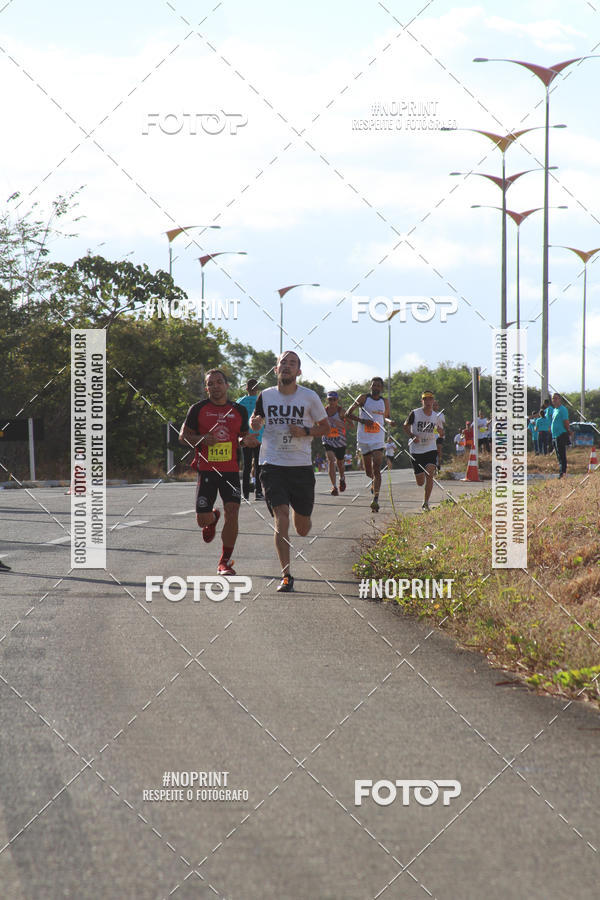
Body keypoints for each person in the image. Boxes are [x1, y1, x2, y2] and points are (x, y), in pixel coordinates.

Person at [250, 350, 330, 593]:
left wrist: (305, 432)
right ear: (276, 369)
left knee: (302, 528)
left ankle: (300, 512)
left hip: (301, 467)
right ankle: (286, 575)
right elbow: (256, 419)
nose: (287, 366)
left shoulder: (309, 397)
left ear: (299, 371)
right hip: (272, 464)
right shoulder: (265, 395)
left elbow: (326, 427)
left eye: (292, 363)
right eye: (283, 362)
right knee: (281, 517)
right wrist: (255, 423)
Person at [179, 369, 257, 575]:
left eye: (219, 382)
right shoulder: (197, 409)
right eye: (210, 383)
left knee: (233, 511)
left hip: (230, 471)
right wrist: (201, 439)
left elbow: (241, 436)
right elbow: (183, 437)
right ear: (206, 388)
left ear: (227, 385)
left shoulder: (239, 410)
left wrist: (246, 440)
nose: (215, 386)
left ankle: (225, 561)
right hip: (206, 470)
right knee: (202, 520)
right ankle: (212, 518)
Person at [346, 377, 395, 512]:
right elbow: (348, 414)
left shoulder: (384, 401)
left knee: (377, 467)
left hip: (378, 438)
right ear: (370, 386)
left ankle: (376, 499)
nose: (376, 388)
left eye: (378, 386)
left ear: (381, 388)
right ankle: (374, 482)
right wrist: (362, 421)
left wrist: (390, 422)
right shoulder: (363, 398)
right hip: (364, 439)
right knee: (369, 471)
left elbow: (386, 416)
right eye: (374, 385)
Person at [404, 390, 443, 511]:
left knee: (430, 474)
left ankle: (426, 503)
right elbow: (405, 426)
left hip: (430, 447)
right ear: (422, 401)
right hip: (416, 449)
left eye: (430, 399)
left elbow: (440, 430)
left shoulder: (436, 416)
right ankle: (419, 477)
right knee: (420, 482)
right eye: (425, 399)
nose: (428, 401)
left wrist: (441, 432)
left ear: (433, 401)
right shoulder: (415, 413)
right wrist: (412, 436)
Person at [236, 378, 264, 500]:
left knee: (247, 466)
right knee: (258, 466)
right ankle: (258, 493)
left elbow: (235, 420)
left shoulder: (240, 401)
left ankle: (245, 494)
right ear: (257, 388)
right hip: (259, 438)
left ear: (246, 388)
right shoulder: (262, 401)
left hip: (245, 438)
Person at [322, 390, 351, 495]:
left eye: (334, 399)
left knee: (340, 462)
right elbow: (318, 423)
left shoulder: (341, 411)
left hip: (340, 441)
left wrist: (341, 425)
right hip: (328, 439)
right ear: (327, 400)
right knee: (331, 460)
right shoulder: (323, 411)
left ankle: (342, 478)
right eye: (330, 399)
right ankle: (334, 486)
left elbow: (351, 425)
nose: (332, 401)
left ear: (337, 400)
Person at [550, 393, 572, 478]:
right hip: (555, 435)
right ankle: (561, 471)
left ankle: (563, 472)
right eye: (553, 398)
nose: (554, 400)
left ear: (560, 399)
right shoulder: (555, 410)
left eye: (556, 398)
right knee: (558, 455)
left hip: (561, 434)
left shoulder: (562, 409)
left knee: (562, 455)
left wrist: (568, 431)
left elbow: (565, 421)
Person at [433, 400, 446, 471]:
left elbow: (443, 424)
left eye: (436, 405)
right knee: (432, 451)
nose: (435, 406)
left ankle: (439, 464)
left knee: (439, 449)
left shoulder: (441, 414)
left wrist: (442, 432)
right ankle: (433, 464)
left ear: (438, 406)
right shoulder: (429, 414)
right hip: (431, 435)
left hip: (439, 435)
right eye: (433, 405)